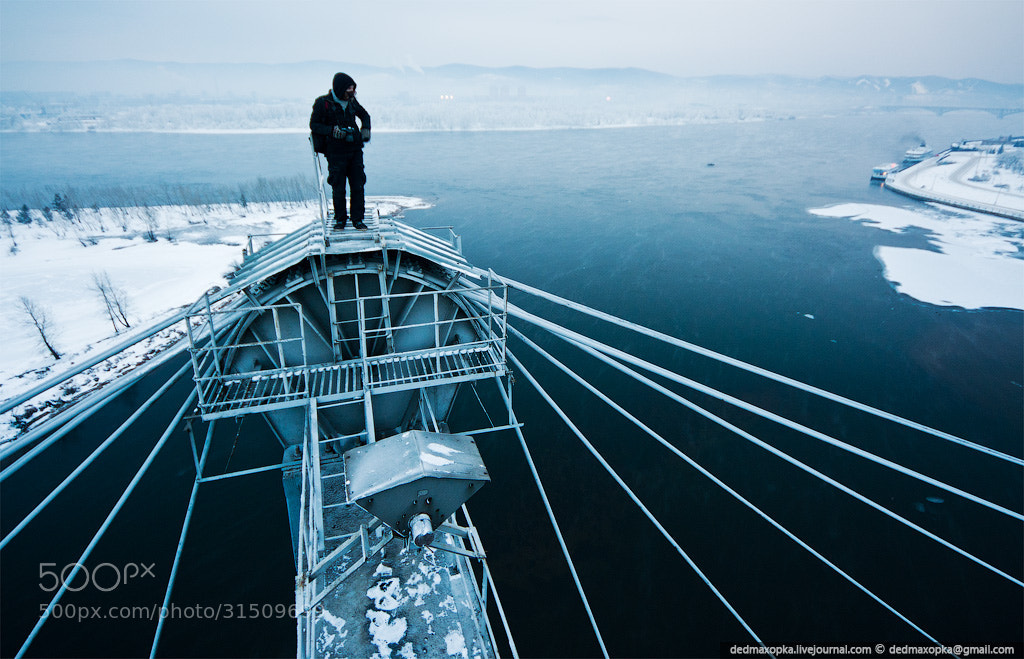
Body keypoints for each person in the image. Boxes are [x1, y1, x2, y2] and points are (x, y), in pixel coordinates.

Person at [310, 72, 371, 230]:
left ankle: (358, 219)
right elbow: (314, 125)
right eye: (349, 90)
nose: (352, 93)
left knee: (358, 184)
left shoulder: (351, 102)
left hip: (355, 149)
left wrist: (365, 130)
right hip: (335, 152)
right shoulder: (323, 103)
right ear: (339, 89)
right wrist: (332, 130)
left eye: (353, 90)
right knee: (338, 187)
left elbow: (365, 115)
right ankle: (340, 220)